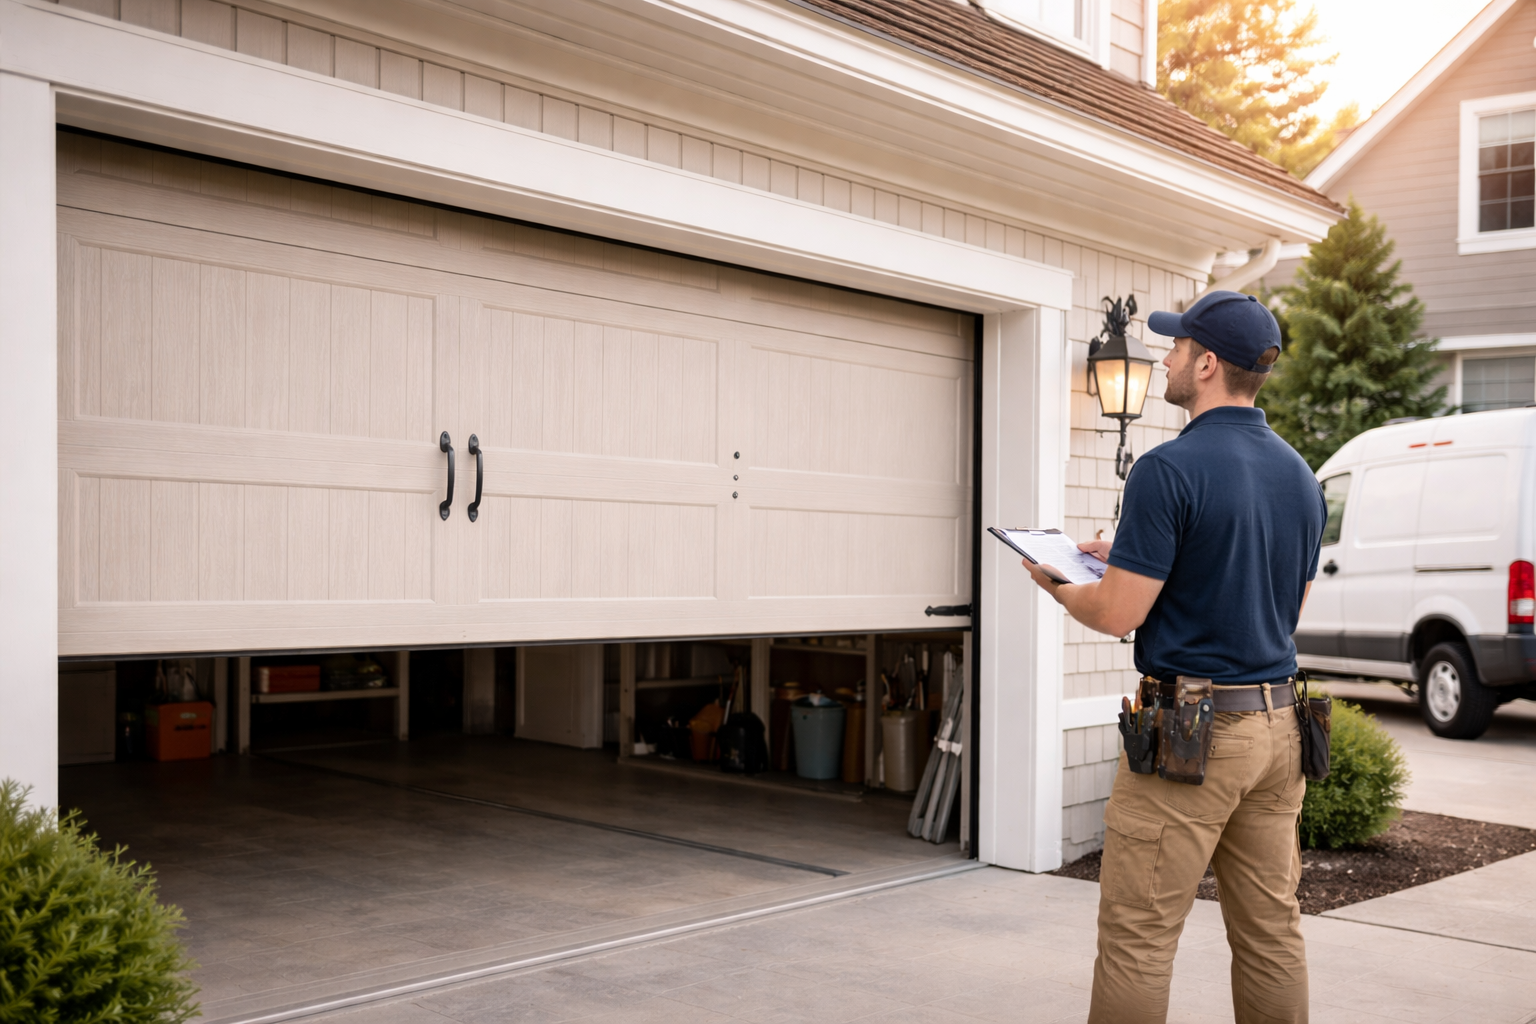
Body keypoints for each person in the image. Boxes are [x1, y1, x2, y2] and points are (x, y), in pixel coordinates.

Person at [1024, 290, 1327, 1024]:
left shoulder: (1168, 468)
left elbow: (1118, 612)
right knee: (1270, 931)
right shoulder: (1301, 478)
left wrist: (1061, 578)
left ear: (1209, 364)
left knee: (1139, 937)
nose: (1165, 359)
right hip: (1278, 725)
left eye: (1178, 349)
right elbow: (1282, 606)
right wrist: (1126, 553)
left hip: (1190, 736)